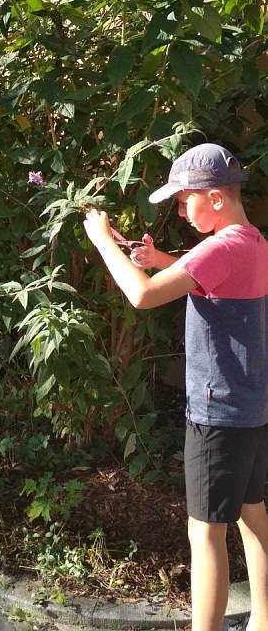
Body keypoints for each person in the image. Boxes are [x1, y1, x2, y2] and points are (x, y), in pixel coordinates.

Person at [83, 143, 268, 631]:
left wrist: (103, 240)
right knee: (252, 513)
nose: (182, 210)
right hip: (250, 406)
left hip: (216, 411)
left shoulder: (218, 246)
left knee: (204, 530)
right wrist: (160, 258)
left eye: (186, 200)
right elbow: (213, 280)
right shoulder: (252, 240)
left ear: (215, 199)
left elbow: (142, 295)